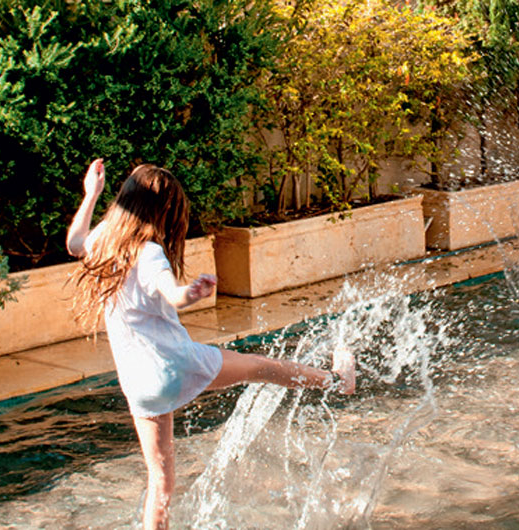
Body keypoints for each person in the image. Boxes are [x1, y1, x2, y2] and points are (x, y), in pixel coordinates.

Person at [66, 159, 356, 529]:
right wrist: (191, 293)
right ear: (162, 211)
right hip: (174, 364)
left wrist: (91, 194)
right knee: (260, 367)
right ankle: (337, 381)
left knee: (160, 479)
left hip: (137, 383)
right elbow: (171, 294)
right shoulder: (148, 252)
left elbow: (74, 243)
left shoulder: (105, 242)